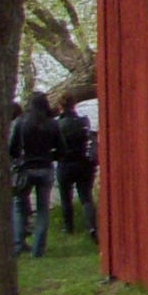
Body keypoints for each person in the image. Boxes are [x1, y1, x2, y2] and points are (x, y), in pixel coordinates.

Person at [7, 91, 56, 258]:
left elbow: (12, 149)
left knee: (19, 206)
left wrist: (19, 159)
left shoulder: (20, 122)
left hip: (25, 168)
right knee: (43, 209)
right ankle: (38, 250)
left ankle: (19, 243)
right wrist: (49, 156)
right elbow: (62, 149)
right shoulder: (51, 123)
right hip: (45, 168)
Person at [54, 95, 96, 244]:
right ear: (74, 106)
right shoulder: (83, 121)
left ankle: (68, 227)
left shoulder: (58, 125)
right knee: (86, 197)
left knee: (66, 198)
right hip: (83, 163)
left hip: (65, 164)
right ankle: (92, 226)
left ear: (60, 107)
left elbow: (55, 145)